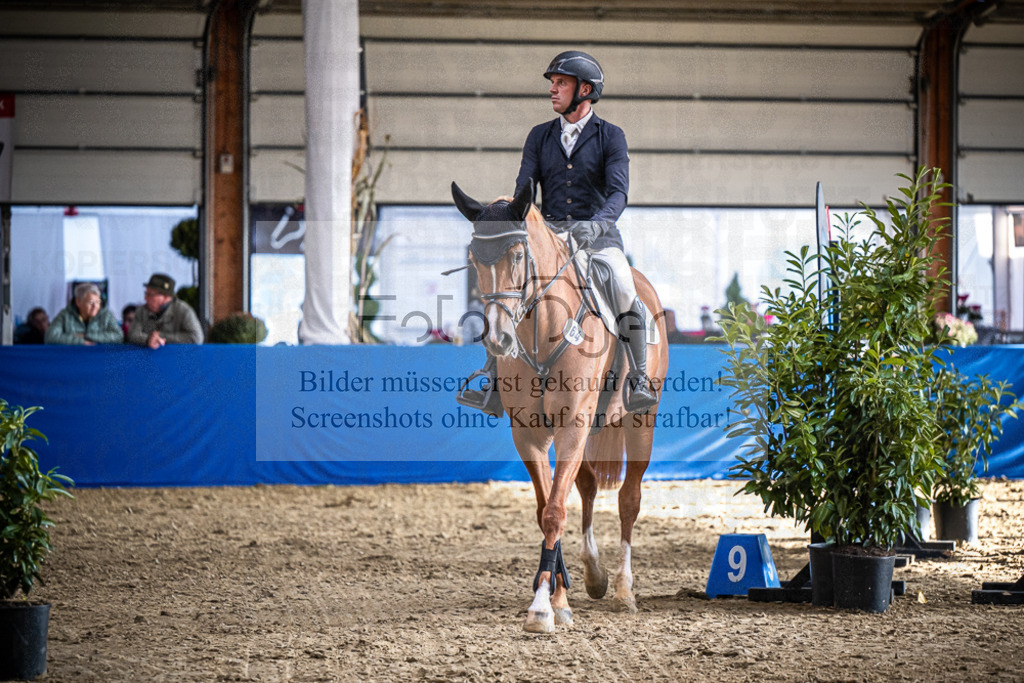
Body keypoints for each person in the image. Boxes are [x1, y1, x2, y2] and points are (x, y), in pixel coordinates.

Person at [458, 50, 657, 416]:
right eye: (552, 84)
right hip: (548, 235)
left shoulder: (610, 136)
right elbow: (525, 189)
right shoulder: (539, 136)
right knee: (509, 286)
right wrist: (508, 215)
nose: (553, 90)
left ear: (585, 90)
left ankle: (639, 377)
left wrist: (596, 224)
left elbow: (618, 193)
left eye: (560, 83)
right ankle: (491, 377)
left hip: (598, 236)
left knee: (623, 285)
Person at [127, 273, 204, 348]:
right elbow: (132, 335)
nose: (145, 298)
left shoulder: (184, 311)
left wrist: (159, 336)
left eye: (150, 295)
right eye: (145, 293)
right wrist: (147, 339)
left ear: (166, 298)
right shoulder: (142, 311)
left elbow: (196, 338)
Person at [44, 284, 123, 345]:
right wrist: (80, 341)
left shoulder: (106, 315)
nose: (95, 306)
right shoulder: (65, 315)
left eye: (98, 302)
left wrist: (87, 335)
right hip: (72, 358)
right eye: (91, 302)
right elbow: (50, 337)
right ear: (78, 302)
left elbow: (118, 337)